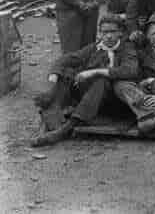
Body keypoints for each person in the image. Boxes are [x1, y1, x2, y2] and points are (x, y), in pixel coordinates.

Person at [31, 14, 138, 146]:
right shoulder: (94, 48)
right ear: (100, 33)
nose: (108, 36)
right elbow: (68, 58)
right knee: (66, 74)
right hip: (90, 100)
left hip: (114, 102)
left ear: (120, 33)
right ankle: (53, 115)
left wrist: (95, 71)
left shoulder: (127, 49)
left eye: (112, 32)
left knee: (101, 80)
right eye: (105, 32)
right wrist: (54, 75)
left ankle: (65, 129)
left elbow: (130, 70)